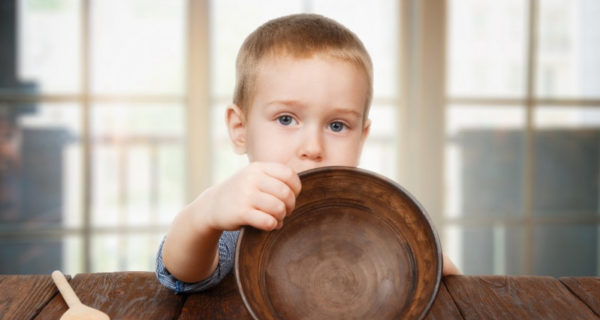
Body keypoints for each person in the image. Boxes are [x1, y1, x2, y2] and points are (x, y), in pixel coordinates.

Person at [155, 13, 460, 294]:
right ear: (240, 129)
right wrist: (206, 214)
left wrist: (430, 267)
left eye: (337, 126)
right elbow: (181, 273)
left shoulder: (374, 227)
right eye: (286, 119)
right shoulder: (244, 216)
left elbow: (444, 287)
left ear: (361, 139)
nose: (313, 148)